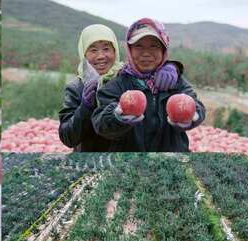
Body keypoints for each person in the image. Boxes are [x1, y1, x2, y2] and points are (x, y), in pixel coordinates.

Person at [59, 24, 179, 152]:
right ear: (84, 54)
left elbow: (151, 69)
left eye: (106, 49)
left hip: (128, 162)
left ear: (115, 51)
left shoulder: (128, 77)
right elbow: (68, 138)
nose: (101, 56)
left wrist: (172, 67)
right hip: (93, 164)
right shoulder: (76, 88)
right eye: (93, 50)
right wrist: (85, 108)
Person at [92, 18, 205, 152]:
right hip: (128, 164)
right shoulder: (118, 84)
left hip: (171, 163)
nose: (146, 53)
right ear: (129, 50)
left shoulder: (175, 81)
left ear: (163, 50)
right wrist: (116, 117)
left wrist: (193, 116)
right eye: (138, 46)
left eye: (154, 46)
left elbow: (195, 104)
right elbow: (100, 123)